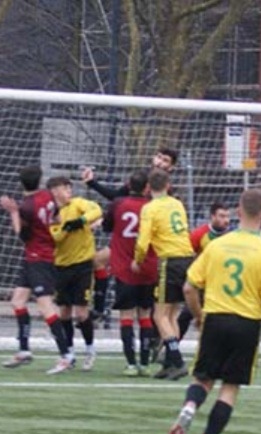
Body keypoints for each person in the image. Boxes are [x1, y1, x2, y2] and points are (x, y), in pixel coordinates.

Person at [166, 188, 261, 434]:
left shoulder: (216, 245)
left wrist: (198, 316)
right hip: (246, 324)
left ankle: (190, 406)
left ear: (237, 212)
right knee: (229, 388)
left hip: (215, 318)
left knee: (203, 379)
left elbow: (189, 288)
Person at [81, 147, 179, 324]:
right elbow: (118, 197)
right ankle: (99, 308)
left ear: (171, 168)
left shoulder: (166, 190)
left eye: (165, 160)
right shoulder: (140, 179)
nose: (159, 162)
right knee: (97, 260)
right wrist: (92, 183)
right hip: (127, 242)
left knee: (150, 305)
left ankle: (155, 335)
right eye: (158, 157)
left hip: (149, 246)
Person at [0, 165, 73, 369]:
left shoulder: (26, 207)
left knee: (45, 306)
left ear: (20, 182)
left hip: (40, 258)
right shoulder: (47, 196)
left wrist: (13, 212)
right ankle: (24, 350)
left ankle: (66, 354)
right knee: (17, 301)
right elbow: (57, 217)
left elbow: (21, 234)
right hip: (33, 257)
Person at [134, 168, 194, 380]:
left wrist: (137, 260)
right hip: (187, 259)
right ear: (168, 185)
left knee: (159, 316)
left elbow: (143, 241)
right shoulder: (177, 203)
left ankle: (177, 360)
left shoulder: (150, 209)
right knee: (171, 314)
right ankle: (169, 363)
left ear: (149, 187)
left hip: (169, 261)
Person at [101, 169, 159, 376]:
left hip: (124, 268)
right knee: (145, 314)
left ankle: (131, 363)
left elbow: (107, 227)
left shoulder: (118, 205)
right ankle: (144, 363)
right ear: (147, 188)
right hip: (148, 267)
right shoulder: (152, 207)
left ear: (128, 184)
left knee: (126, 316)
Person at [46, 176, 103, 375]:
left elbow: (97, 210)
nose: (68, 191)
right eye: (63, 188)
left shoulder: (78, 204)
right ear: (54, 192)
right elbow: (54, 236)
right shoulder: (52, 213)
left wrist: (81, 221)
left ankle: (90, 350)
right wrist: (66, 228)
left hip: (82, 266)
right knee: (64, 312)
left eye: (69, 187)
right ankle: (68, 353)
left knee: (81, 312)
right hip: (61, 267)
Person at [177, 202, 232, 340]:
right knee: (185, 316)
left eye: (227, 216)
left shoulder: (231, 237)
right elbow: (187, 257)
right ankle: (171, 349)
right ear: (212, 216)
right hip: (202, 285)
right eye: (221, 216)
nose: (226, 220)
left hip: (223, 286)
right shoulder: (199, 235)